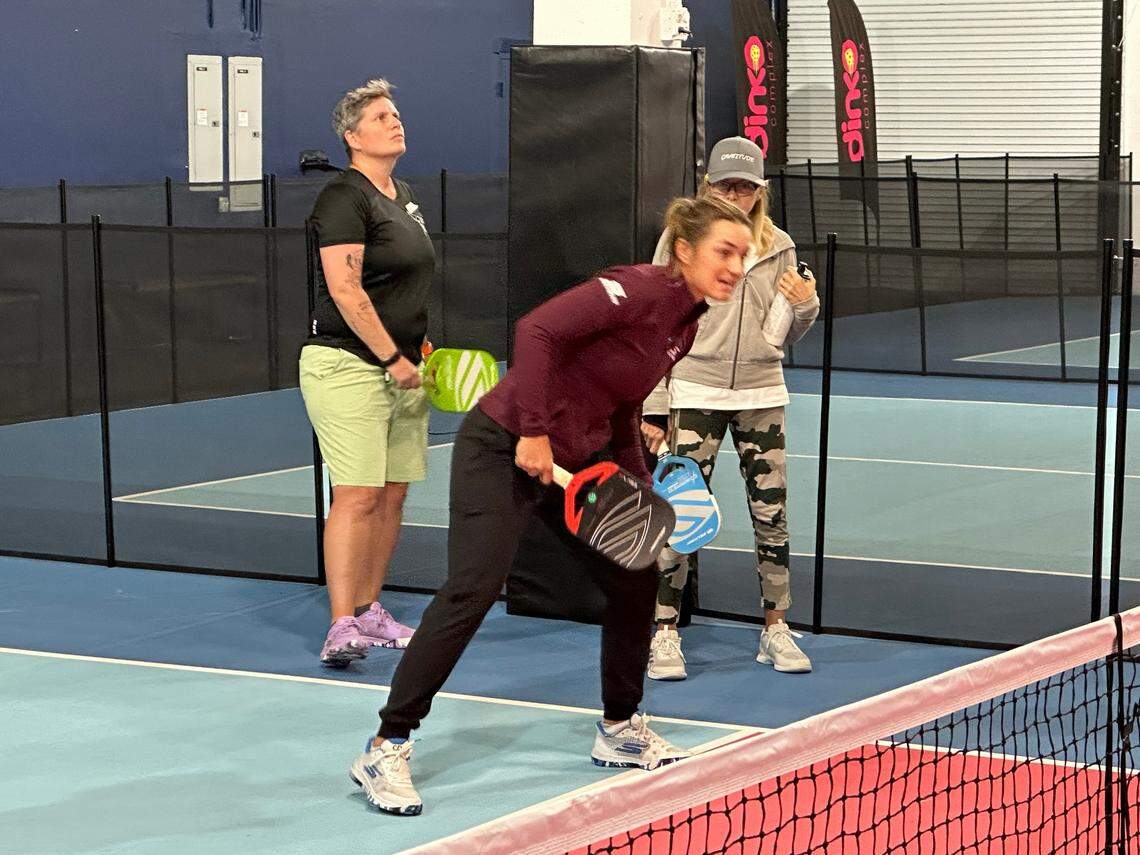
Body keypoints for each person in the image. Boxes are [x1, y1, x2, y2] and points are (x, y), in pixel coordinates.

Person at [348, 195, 754, 816]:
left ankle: (620, 726)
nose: (735, 265)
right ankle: (387, 743)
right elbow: (537, 330)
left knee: (634, 577)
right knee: (475, 588)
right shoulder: (636, 291)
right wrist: (532, 430)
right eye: (724, 251)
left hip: (573, 466)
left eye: (742, 255)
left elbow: (622, 407)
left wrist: (641, 489)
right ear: (684, 251)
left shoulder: (684, 325)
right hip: (503, 445)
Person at [640, 137, 819, 682]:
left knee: (773, 516)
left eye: (745, 186)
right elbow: (656, 322)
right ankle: (665, 634)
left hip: (763, 396)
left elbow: (791, 332)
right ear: (708, 185)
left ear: (759, 191)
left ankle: (776, 629)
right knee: (680, 516)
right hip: (694, 393)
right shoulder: (681, 240)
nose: (735, 195)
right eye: (726, 185)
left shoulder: (781, 246)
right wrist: (653, 403)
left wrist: (806, 303)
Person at [299, 79, 435, 665]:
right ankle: (340, 624)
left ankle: (371, 609)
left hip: (405, 367)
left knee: (392, 494)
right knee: (355, 494)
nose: (395, 122)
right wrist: (391, 357)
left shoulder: (401, 194)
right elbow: (347, 290)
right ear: (353, 137)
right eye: (382, 117)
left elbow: (399, 282)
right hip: (348, 366)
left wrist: (418, 345)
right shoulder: (342, 198)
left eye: (397, 114)